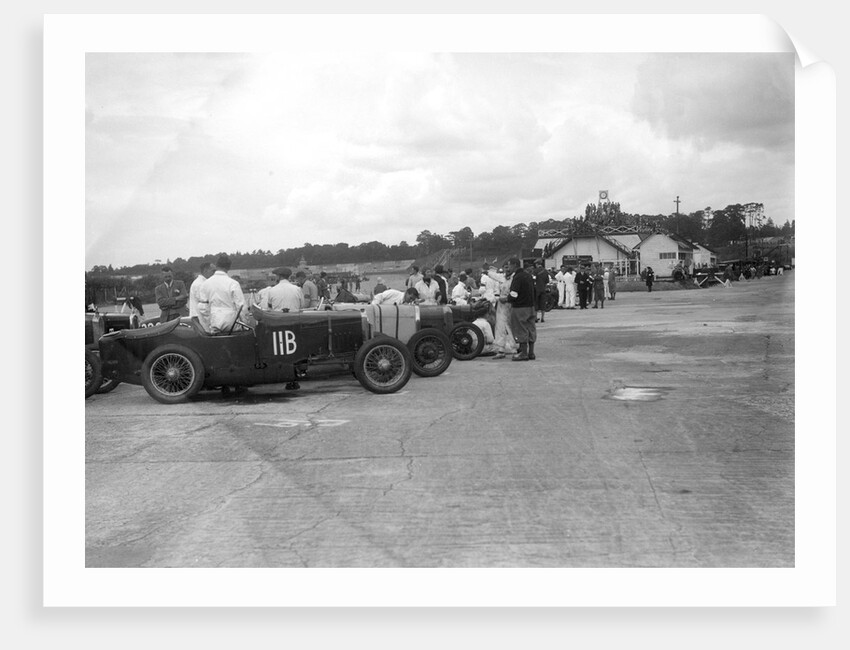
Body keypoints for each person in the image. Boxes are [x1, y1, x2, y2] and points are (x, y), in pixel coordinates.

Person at [197, 254, 246, 334]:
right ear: (229, 267)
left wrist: (209, 322)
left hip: (215, 322)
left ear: (216, 266)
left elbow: (203, 307)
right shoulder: (233, 283)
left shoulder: (205, 284)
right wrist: (245, 324)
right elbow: (241, 307)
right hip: (232, 324)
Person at [503, 257, 536, 361]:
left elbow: (514, 294)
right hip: (530, 306)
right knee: (530, 328)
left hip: (520, 307)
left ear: (514, 265)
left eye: (509, 265)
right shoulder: (528, 275)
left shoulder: (517, 277)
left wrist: (506, 299)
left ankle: (523, 353)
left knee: (520, 329)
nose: (508, 268)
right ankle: (531, 352)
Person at [489, 266, 517, 359]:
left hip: (510, 304)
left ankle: (514, 348)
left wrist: (507, 298)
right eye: (506, 268)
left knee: (510, 326)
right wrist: (486, 271)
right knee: (500, 326)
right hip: (501, 305)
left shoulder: (514, 278)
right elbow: (494, 275)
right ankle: (501, 349)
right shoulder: (502, 277)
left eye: (509, 268)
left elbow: (515, 293)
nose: (507, 270)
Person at [189, 261, 216, 329]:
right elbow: (204, 304)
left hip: (202, 317)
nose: (214, 273)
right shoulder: (199, 284)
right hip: (200, 318)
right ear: (205, 271)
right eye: (213, 271)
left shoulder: (203, 283)